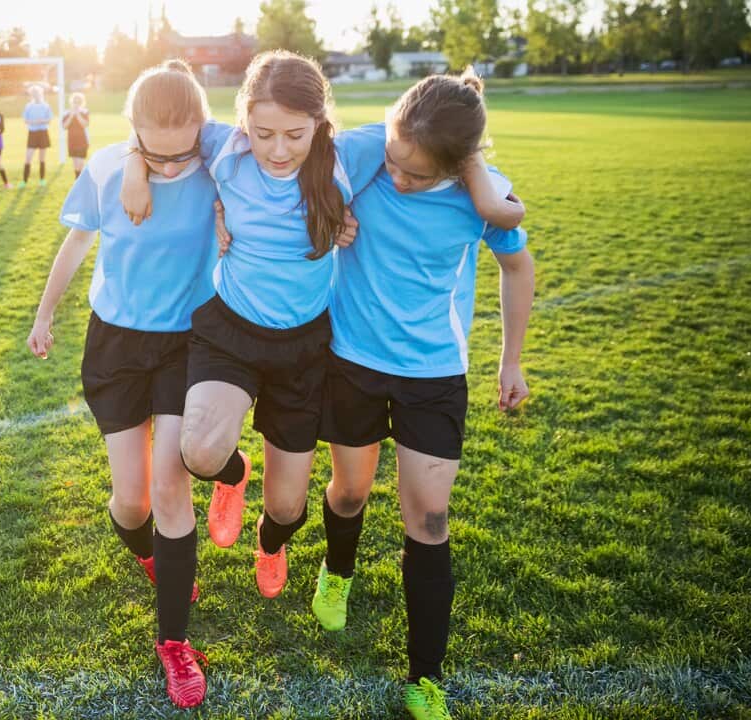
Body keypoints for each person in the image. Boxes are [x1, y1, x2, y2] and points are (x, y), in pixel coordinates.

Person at [119, 52, 521, 606]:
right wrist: (133, 170)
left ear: (320, 123)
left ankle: (270, 540)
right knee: (201, 453)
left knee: (287, 509)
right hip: (231, 328)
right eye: (263, 133)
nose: (278, 150)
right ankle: (234, 474)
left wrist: (480, 185)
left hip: (307, 345)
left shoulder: (348, 154)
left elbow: (436, 130)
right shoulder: (225, 148)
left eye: (294, 134)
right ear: (243, 123)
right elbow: (160, 134)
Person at [308, 69, 532, 720]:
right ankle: (338, 572)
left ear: (458, 165)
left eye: (413, 173)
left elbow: (517, 266)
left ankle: (426, 675)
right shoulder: (371, 154)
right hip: (352, 359)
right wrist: (335, 212)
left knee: (429, 517)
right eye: (393, 160)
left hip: (433, 373)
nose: (396, 176)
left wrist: (510, 361)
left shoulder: (483, 194)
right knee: (348, 490)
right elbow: (303, 180)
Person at [27, 60, 220, 710]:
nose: (169, 168)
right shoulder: (109, 166)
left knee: (170, 493)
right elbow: (77, 245)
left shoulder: (221, 159)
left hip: (185, 344)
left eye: (181, 153)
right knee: (132, 505)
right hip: (114, 344)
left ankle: (174, 644)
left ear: (204, 128)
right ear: (133, 131)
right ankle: (163, 552)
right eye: (154, 154)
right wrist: (45, 312)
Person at [21, 85, 53, 187]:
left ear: (41, 94)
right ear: (31, 95)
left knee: (42, 158)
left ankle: (42, 180)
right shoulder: (28, 106)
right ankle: (24, 181)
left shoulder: (46, 106)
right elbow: (25, 120)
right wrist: (34, 122)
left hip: (43, 132)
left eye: (37, 93)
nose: (36, 95)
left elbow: (49, 119)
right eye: (34, 93)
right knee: (28, 158)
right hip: (32, 133)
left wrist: (42, 121)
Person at [61, 92, 91, 178]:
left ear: (82, 103)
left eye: (79, 102)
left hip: (82, 140)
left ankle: (80, 182)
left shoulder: (85, 112)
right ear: (72, 102)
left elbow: (85, 124)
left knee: (80, 163)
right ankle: (77, 182)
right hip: (72, 141)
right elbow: (64, 126)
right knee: (75, 165)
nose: (76, 104)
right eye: (75, 101)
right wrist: (71, 116)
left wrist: (77, 114)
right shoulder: (66, 113)